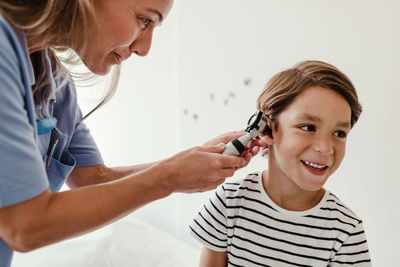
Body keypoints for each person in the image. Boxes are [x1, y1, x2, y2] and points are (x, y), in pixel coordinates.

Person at [0, 0, 265, 266]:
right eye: (145, 20)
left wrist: (187, 163)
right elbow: (24, 226)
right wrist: (171, 175)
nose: (145, 49)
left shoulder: (56, 85)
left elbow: (94, 179)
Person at [190, 60, 372, 266]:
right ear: (266, 130)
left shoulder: (346, 232)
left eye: (339, 133)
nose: (326, 147)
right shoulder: (229, 202)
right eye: (308, 127)